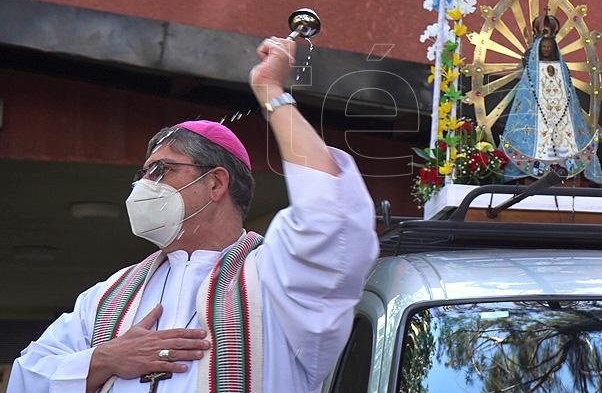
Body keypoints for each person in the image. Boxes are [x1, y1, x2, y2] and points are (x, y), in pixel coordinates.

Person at [8, 36, 379, 392]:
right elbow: (26, 378)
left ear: (216, 184)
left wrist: (272, 93)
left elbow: (332, 216)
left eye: (161, 171)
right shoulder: (107, 296)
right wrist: (104, 359)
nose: (143, 188)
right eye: (142, 175)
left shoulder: (277, 278)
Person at [499, 11, 602, 184]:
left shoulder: (561, 72)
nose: (547, 49)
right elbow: (526, 99)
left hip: (562, 119)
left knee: (566, 135)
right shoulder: (532, 73)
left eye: (549, 47)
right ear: (538, 49)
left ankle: (567, 166)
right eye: (544, 47)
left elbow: (568, 96)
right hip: (537, 116)